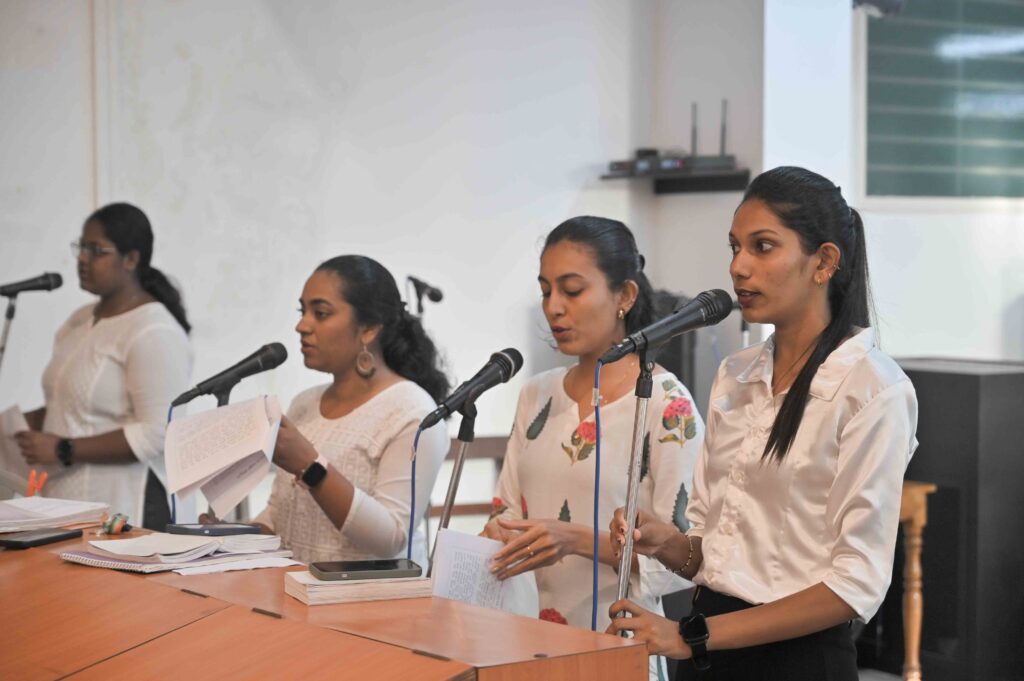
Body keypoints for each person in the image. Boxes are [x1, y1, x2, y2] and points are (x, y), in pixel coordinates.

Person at [607, 167, 919, 681]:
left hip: (795, 660)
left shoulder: (872, 389)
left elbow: (854, 585)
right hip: (707, 649)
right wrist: (667, 543)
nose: (739, 267)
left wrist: (692, 637)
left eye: (763, 246)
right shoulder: (736, 374)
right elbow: (714, 555)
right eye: (735, 247)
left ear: (824, 262)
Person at [483, 216, 704, 680]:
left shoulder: (667, 405)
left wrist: (575, 539)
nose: (554, 308)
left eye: (572, 290)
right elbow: (506, 511)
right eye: (546, 291)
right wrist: (494, 535)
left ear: (625, 295)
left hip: (618, 646)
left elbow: (683, 559)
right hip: (524, 643)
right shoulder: (536, 394)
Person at [247, 255, 450, 567]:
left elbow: (392, 537)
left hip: (372, 595)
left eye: (321, 313)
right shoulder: (304, 404)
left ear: (368, 329)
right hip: (295, 588)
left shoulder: (412, 412)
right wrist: (230, 538)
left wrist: (310, 466)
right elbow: (280, 513)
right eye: (303, 312)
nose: (302, 326)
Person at [15, 202, 192, 528]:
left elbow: (158, 432)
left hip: (128, 507)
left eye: (96, 251)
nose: (82, 259)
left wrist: (64, 449)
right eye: (81, 247)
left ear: (131, 259)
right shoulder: (78, 321)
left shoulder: (153, 330)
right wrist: (15, 427)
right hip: (65, 500)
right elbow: (66, 405)